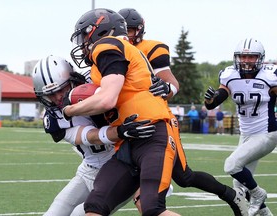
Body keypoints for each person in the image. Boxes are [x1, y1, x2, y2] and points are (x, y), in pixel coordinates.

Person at [118, 8, 248, 216]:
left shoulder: (151, 48)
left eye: (130, 30)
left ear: (140, 30)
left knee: (184, 177)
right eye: (122, 30)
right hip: (124, 124)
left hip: (156, 121)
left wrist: (168, 89)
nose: (126, 35)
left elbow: (170, 81)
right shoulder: (110, 51)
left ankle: (231, 195)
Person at [64, 8, 180, 216]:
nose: (82, 45)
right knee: (95, 206)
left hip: (151, 135)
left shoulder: (107, 45)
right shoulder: (109, 56)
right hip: (129, 142)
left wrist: (70, 109)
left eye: (84, 37)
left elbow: (107, 100)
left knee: (151, 208)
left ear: (98, 31)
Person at [32, 55, 156, 216]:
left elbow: (131, 79)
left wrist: (157, 82)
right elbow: (90, 136)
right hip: (89, 170)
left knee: (79, 214)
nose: (57, 98)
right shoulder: (53, 119)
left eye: (61, 90)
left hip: (121, 170)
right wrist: (119, 131)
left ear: (73, 81)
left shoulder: (97, 85)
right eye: (51, 94)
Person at [204, 38, 277, 216]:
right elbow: (213, 104)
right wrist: (210, 99)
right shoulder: (230, 75)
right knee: (240, 187)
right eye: (243, 56)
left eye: (251, 57)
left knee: (231, 165)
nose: (246, 60)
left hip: (266, 133)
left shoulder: (270, 76)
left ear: (260, 58)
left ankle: (259, 193)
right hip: (246, 134)